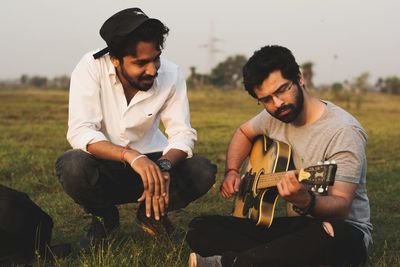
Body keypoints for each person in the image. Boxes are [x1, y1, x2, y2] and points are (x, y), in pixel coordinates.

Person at [186, 45, 372, 267]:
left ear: (300, 78)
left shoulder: (343, 131)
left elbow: (341, 205)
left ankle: (229, 263)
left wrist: (306, 200)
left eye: (282, 90)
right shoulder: (275, 116)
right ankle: (276, 257)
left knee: (332, 236)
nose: (277, 104)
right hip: (296, 228)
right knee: (201, 229)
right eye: (266, 99)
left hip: (339, 231)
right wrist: (233, 171)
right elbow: (243, 132)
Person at [55, 8, 216, 249]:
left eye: (156, 58)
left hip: (154, 165)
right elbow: (81, 131)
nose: (152, 70)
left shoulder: (171, 74)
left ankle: (151, 215)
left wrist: (164, 165)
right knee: (72, 165)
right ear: (115, 59)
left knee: (202, 169)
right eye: (141, 63)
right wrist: (130, 155)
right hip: (105, 164)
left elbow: (182, 133)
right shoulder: (90, 67)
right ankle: (104, 218)